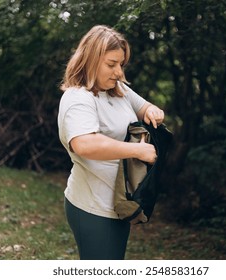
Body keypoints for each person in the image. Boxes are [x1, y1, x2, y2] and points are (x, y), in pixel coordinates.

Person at [57, 25, 165, 260]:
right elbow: (84, 144)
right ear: (91, 59)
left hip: (117, 205)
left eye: (121, 64)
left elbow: (145, 107)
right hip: (93, 207)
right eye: (111, 64)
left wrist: (153, 111)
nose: (118, 72)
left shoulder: (117, 89)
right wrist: (137, 150)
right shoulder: (78, 98)